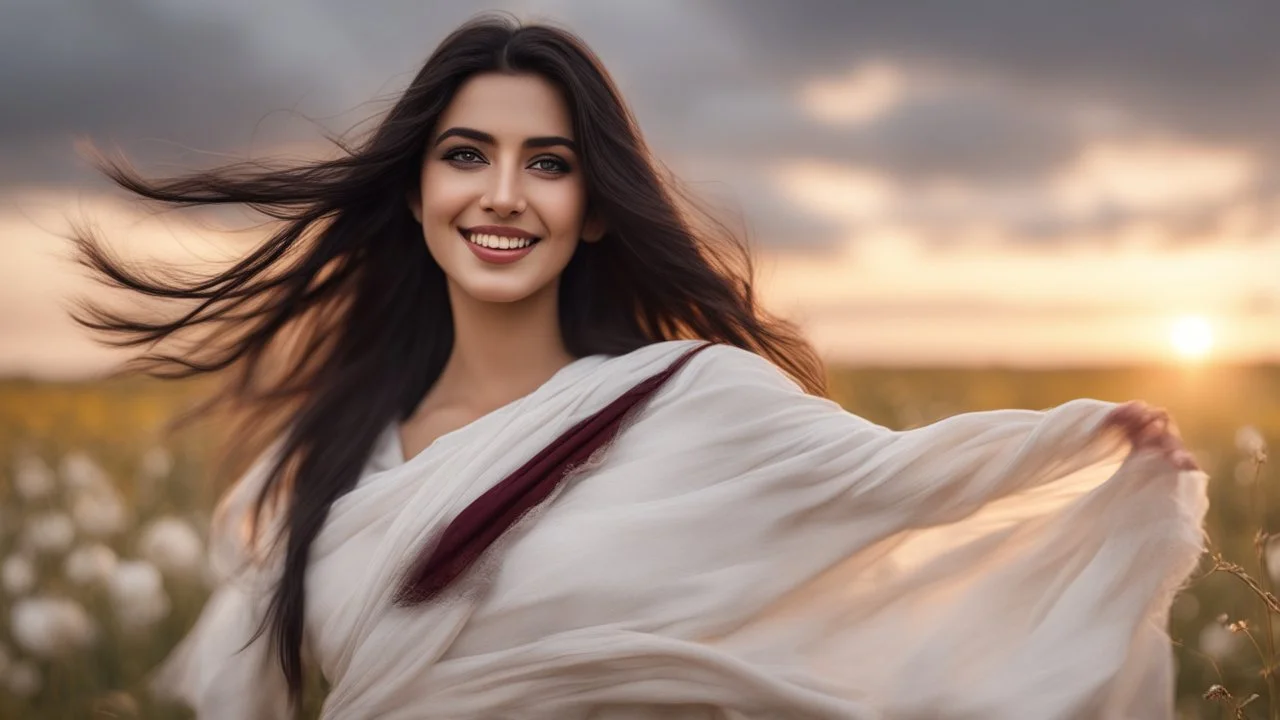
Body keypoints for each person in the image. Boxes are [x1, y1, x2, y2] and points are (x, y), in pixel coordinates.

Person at [72, 14, 1207, 720]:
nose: (503, 193)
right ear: (417, 192)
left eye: (548, 163)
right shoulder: (326, 448)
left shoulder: (697, 400)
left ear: (597, 210)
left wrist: (1087, 446)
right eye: (466, 155)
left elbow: (896, 487)